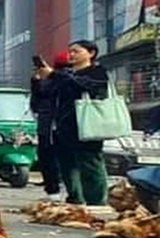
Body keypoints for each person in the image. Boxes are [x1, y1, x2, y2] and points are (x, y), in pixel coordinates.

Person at [39, 40, 110, 206]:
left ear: (91, 53)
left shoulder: (97, 71)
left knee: (90, 164)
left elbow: (89, 87)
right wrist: (40, 79)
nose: (71, 54)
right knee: (67, 165)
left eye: (76, 51)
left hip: (88, 126)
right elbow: (46, 95)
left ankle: (96, 203)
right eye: (70, 51)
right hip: (63, 127)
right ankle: (75, 198)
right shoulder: (67, 74)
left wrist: (55, 75)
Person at [30, 51, 67, 196]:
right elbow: (36, 104)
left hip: (56, 126)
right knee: (49, 157)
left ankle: (56, 190)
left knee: (51, 158)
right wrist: (37, 81)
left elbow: (36, 105)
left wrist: (39, 82)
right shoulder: (47, 81)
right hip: (49, 126)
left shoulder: (65, 79)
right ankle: (56, 189)